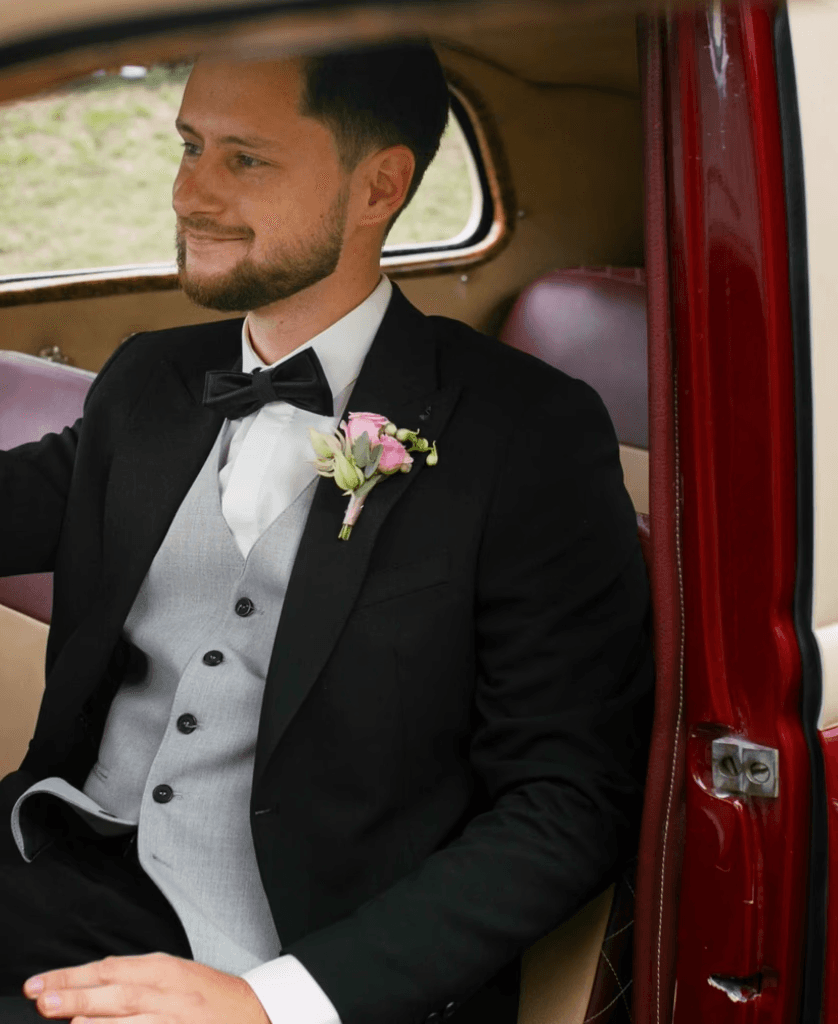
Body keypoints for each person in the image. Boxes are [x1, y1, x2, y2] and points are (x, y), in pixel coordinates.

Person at [0, 42, 653, 1024]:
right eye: (188, 147)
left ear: (378, 186)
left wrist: (278, 1003)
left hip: (298, 947)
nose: (189, 194)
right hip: (52, 865)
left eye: (244, 159)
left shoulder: (528, 432)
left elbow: (566, 800)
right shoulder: (150, 378)